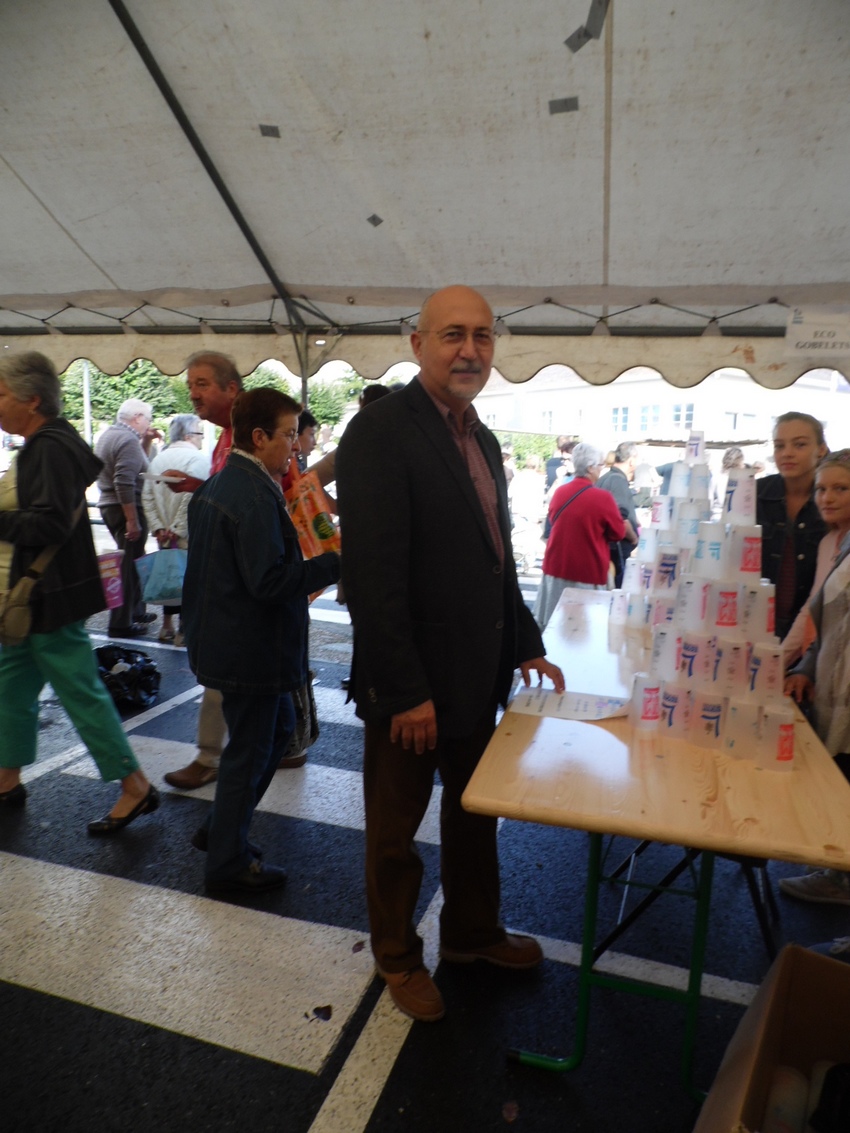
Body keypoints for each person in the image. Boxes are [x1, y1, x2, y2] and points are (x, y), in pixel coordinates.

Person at [336, 284, 564, 1023]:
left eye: (484, 336)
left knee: (474, 818)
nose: (470, 349)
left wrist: (526, 640)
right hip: (411, 686)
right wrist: (405, 691)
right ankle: (397, 955)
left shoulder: (482, 436)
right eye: (453, 335)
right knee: (396, 832)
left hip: (478, 674)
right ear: (417, 344)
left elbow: (495, 556)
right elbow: (371, 573)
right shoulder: (380, 431)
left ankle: (469, 935)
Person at [182, 388, 340, 893]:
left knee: (276, 732)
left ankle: (222, 829)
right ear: (259, 437)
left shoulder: (221, 486)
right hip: (249, 650)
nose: (296, 445)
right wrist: (335, 561)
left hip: (226, 642)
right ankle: (226, 863)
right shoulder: (252, 496)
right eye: (289, 435)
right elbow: (268, 582)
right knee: (252, 747)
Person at [0, 351, 159, 833]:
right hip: (40, 598)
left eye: (2, 394)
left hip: (48, 597)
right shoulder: (50, 442)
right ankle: (6, 778)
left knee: (81, 694)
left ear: (31, 400)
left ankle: (135, 787)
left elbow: (48, 522)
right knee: (9, 690)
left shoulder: (47, 447)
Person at [162, 352, 243, 790]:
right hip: (231, 570)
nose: (193, 392)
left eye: (203, 383)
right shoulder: (228, 436)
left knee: (222, 665)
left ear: (232, 389)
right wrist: (197, 486)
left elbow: (257, 495)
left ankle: (213, 756)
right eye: (191, 383)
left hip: (238, 575)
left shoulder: (248, 434)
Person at [779, 450, 850, 906]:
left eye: (841, 488)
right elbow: (826, 621)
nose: (827, 497)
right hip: (834, 686)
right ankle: (837, 874)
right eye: (823, 488)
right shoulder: (838, 542)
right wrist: (803, 667)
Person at [534, 443, 634, 629]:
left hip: (556, 568)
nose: (601, 470)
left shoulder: (560, 492)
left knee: (553, 627)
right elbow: (618, 533)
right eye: (600, 466)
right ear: (590, 468)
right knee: (582, 631)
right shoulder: (603, 498)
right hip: (587, 572)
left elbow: (554, 518)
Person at [757, 412, 828, 640]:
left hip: (813, 627)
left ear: (821, 449)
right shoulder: (753, 493)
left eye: (799, 444)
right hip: (756, 621)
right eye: (779, 446)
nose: (787, 453)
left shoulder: (832, 500)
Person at [141, 414, 210, 645]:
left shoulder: (158, 460)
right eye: (200, 434)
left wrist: (159, 528)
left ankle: (166, 626)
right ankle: (183, 630)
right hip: (187, 533)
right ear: (189, 436)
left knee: (168, 574)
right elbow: (191, 497)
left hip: (164, 535)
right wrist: (178, 528)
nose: (201, 439)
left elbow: (147, 496)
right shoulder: (198, 459)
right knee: (186, 578)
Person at [95, 397, 155, 638]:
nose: (149, 424)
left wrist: (147, 441)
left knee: (130, 563)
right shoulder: (127, 439)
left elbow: (137, 467)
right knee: (128, 568)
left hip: (110, 506)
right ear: (137, 418)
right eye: (148, 419)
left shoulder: (110, 435)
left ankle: (135, 611)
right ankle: (120, 623)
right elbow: (124, 480)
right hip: (124, 508)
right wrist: (132, 519)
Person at [597, 441, 639, 588]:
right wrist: (634, 539)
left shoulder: (605, 478)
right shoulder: (617, 481)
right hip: (617, 552)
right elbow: (621, 519)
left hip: (608, 550)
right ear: (631, 461)